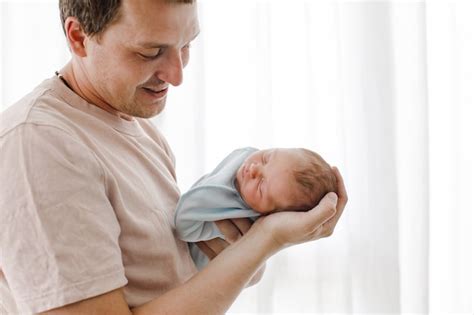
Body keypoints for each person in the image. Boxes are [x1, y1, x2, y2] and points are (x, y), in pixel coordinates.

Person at [0, 0, 348, 314]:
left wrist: (246, 245)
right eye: (151, 52)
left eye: (186, 45)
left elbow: (168, 280)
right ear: (79, 38)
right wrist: (266, 240)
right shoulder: (40, 143)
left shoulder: (139, 130)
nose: (177, 75)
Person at [175, 147, 337, 268]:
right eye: (267, 158)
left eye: (261, 186)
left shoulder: (243, 216)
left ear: (267, 215)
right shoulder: (244, 160)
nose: (254, 168)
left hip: (188, 273)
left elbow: (183, 225)